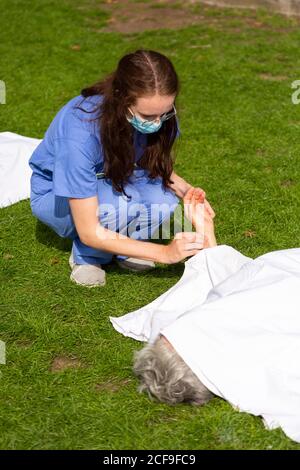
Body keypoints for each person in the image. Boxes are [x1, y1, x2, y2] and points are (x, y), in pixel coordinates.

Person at [28, 49, 215, 287]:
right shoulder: (79, 133)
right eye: (148, 115)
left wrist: (187, 192)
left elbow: (150, 163)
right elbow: (88, 229)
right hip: (56, 195)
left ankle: (125, 247)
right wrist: (164, 254)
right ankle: (88, 256)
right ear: (121, 100)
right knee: (119, 204)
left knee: (164, 200)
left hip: (113, 177)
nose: (157, 123)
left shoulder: (156, 115)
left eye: (164, 113)